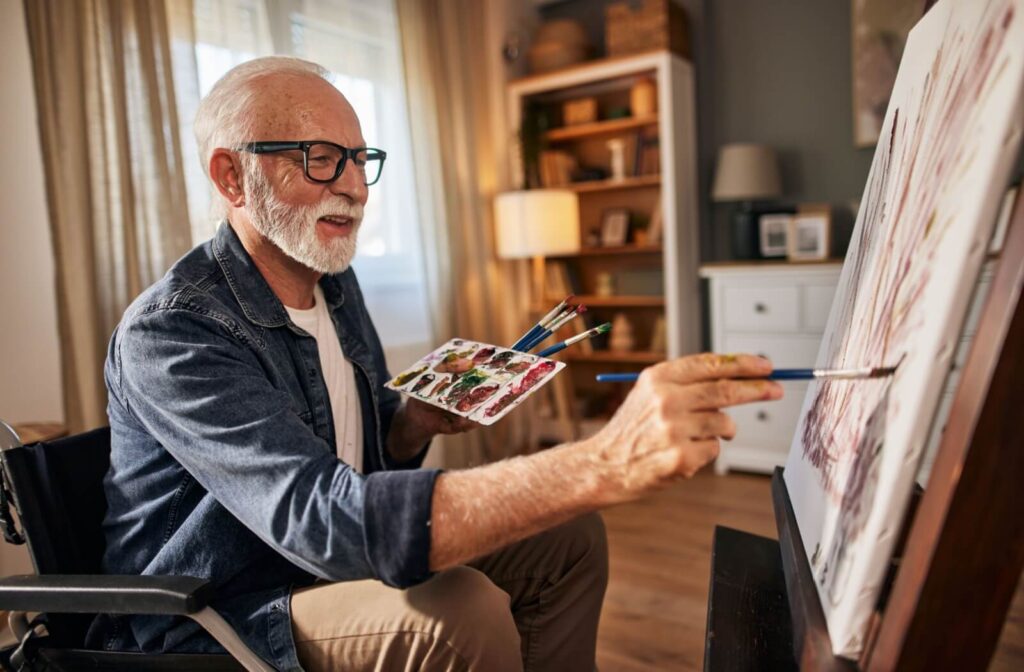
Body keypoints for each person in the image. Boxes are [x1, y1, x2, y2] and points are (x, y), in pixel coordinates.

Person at [89, 56, 783, 672]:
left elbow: (354, 460)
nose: (356, 187)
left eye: (362, 159)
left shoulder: (331, 281)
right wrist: (603, 462)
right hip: (218, 611)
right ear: (231, 175)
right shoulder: (175, 331)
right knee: (463, 614)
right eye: (322, 158)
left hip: (314, 561)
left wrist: (412, 420)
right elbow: (328, 522)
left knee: (567, 539)